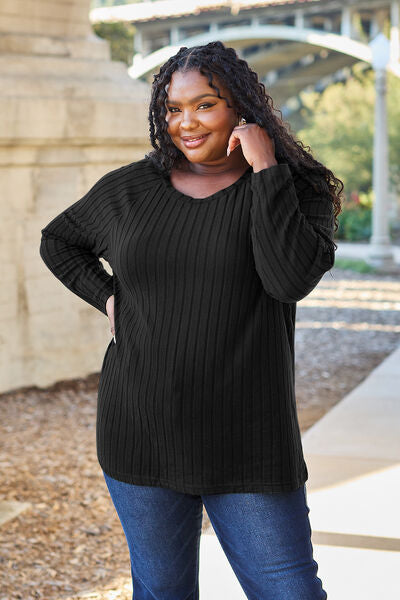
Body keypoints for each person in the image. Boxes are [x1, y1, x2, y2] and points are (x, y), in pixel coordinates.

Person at [40, 41, 343, 599]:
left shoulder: (296, 189)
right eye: (174, 109)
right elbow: (59, 241)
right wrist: (108, 297)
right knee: (161, 592)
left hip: (247, 441)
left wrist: (267, 170)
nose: (187, 123)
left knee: (290, 591)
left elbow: (288, 281)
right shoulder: (131, 189)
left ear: (241, 107)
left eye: (205, 105)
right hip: (140, 431)